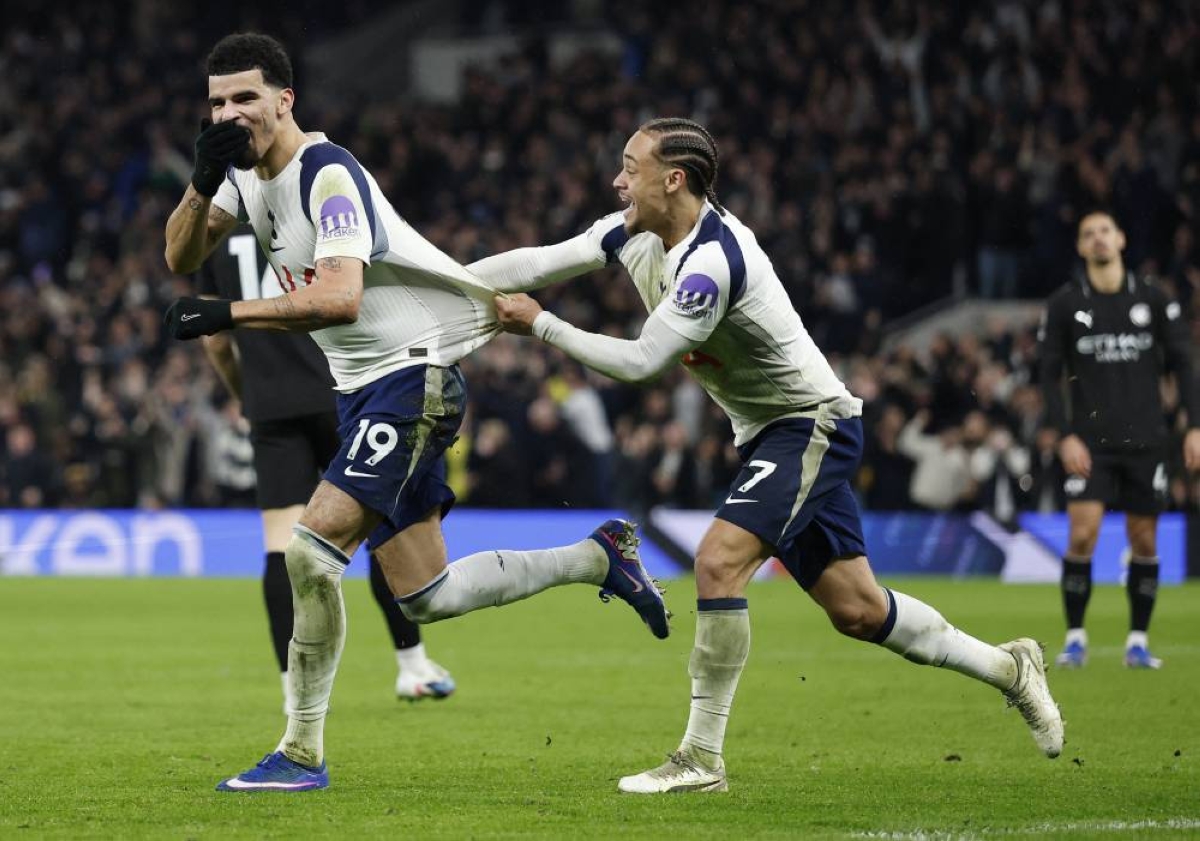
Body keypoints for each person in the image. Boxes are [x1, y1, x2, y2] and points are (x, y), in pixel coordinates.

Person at [476, 117, 1063, 794]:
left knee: (718, 560)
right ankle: (1010, 668)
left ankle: (701, 757)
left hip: (810, 423)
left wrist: (541, 325)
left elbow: (641, 362)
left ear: (675, 180)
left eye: (630, 167)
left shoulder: (714, 262)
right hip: (766, 432)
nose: (617, 180)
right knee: (860, 611)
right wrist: (437, 284)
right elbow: (537, 262)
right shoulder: (631, 230)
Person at [162, 33, 668, 793]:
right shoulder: (241, 178)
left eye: (245, 99)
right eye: (217, 103)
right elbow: (176, 255)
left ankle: (299, 753)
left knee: (307, 550)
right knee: (428, 595)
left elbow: (339, 297)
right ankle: (599, 555)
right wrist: (201, 183)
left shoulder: (326, 175)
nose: (231, 114)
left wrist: (230, 312)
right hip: (363, 390)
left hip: (410, 381)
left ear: (285, 100)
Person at [196, 223, 455, 704]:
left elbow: (214, 340)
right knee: (382, 527)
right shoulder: (313, 216)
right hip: (342, 393)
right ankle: (413, 665)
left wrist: (246, 397)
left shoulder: (220, 238)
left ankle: (294, 691)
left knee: (280, 546)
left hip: (272, 407)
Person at [1038, 210, 1200, 670]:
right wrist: (1065, 435)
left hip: (1148, 440)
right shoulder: (1066, 303)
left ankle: (1138, 641)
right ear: (1080, 247)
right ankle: (1074, 639)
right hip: (1091, 443)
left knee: (1144, 538)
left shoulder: (1153, 297)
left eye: (1105, 231)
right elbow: (1049, 375)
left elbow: (1184, 365)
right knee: (1083, 533)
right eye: (1088, 234)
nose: (1098, 239)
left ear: (1121, 239)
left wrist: (1194, 425)